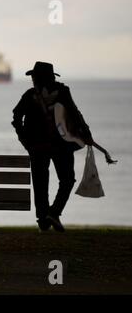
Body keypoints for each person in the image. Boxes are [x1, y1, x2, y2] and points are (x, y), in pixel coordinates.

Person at [12, 61, 94, 232]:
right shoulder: (62, 92)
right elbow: (74, 113)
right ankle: (54, 213)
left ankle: (43, 220)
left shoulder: (29, 95)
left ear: (38, 78)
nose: (32, 79)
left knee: (40, 184)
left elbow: (16, 117)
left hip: (36, 148)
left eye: (34, 76)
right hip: (61, 146)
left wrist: (25, 140)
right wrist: (86, 133)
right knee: (67, 180)